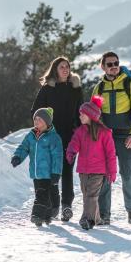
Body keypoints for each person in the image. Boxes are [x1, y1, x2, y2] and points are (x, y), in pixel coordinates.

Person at [92, 51, 131, 225]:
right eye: (109, 64)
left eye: (116, 63)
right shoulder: (99, 88)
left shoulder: (130, 85)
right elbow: (94, 115)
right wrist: (97, 134)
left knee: (127, 174)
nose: (114, 67)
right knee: (106, 175)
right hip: (107, 137)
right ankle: (104, 215)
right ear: (103, 67)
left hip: (127, 136)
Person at [31, 57, 83, 221]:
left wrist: (79, 131)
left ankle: (67, 205)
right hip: (50, 137)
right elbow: (36, 111)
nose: (66, 69)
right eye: (62, 67)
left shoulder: (75, 88)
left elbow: (81, 113)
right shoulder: (47, 89)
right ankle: (53, 205)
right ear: (55, 69)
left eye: (67, 66)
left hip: (70, 136)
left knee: (67, 171)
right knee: (51, 172)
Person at [66, 96, 117, 230]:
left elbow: (111, 154)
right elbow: (74, 144)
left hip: (99, 172)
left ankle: (87, 220)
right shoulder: (80, 131)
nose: (80, 116)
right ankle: (97, 219)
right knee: (86, 196)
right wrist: (71, 152)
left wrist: (112, 171)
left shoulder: (105, 133)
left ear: (90, 115)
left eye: (82, 114)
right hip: (83, 171)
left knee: (92, 196)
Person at [11, 107, 63, 227]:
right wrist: (17, 157)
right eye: (35, 119)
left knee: (42, 194)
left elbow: (57, 157)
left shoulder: (53, 138)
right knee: (42, 194)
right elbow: (24, 147)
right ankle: (47, 214)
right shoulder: (31, 135)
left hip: (48, 173)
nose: (36, 121)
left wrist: (56, 173)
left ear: (47, 122)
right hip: (36, 173)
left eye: (39, 119)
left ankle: (37, 215)